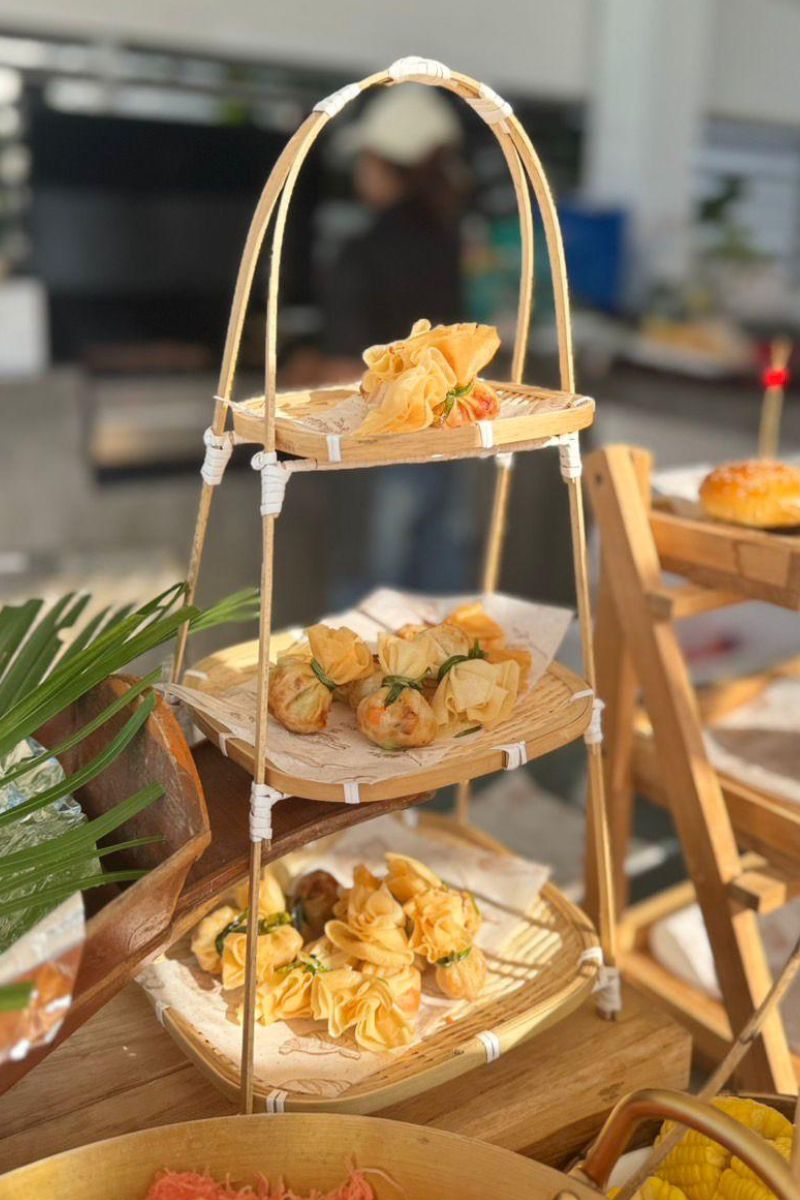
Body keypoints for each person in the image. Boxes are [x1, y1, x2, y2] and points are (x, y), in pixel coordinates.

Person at [317, 84, 480, 600]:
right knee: (439, 583)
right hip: (445, 434)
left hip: (380, 445)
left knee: (369, 595)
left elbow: (344, 366)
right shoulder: (450, 243)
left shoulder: (361, 251)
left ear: (385, 165)